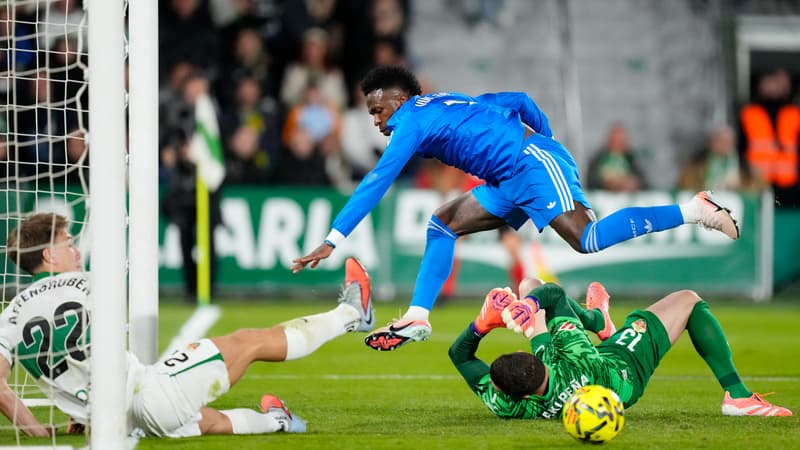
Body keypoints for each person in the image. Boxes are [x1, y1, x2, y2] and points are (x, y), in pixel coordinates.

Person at [290, 65, 740, 352]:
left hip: (530, 165)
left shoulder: (411, 119)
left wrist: (333, 239)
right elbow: (520, 100)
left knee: (588, 239)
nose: (377, 121)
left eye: (377, 110)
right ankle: (418, 317)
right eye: (371, 115)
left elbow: (377, 180)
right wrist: (541, 138)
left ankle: (693, 209)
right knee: (442, 224)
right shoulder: (449, 102)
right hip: (512, 174)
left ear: (399, 101)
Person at [0, 213, 376, 437]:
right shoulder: (92, 282)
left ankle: (277, 422)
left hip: (114, 421)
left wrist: (38, 426)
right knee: (248, 341)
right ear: (49, 254)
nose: (76, 250)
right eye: (67, 243)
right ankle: (350, 314)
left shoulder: (12, 313)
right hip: (145, 394)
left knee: (202, 420)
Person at [449, 278, 792, 418]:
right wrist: (529, 307)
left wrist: (480, 326)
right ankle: (738, 395)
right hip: (622, 371)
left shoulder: (507, 406)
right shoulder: (571, 356)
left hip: (585, 376)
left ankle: (598, 322)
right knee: (688, 301)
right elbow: (552, 294)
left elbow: (458, 356)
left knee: (529, 286)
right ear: (539, 356)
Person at [586, 122, 647, 192]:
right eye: (615, 140)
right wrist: (607, 184)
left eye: (621, 141)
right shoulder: (598, 160)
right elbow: (590, 182)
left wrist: (634, 183)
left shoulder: (631, 159)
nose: (617, 144)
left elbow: (644, 181)